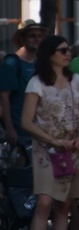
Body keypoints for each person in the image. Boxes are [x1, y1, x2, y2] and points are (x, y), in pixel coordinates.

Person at [21, 34, 79, 230]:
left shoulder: (76, 80)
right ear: (49, 55)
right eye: (62, 50)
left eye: (69, 49)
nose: (68, 53)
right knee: (44, 202)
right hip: (46, 151)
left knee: (64, 205)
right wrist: (52, 140)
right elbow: (26, 121)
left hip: (72, 149)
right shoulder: (37, 83)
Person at [2, 21, 45, 151]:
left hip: (39, 130)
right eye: (32, 35)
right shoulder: (11, 63)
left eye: (39, 35)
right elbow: (4, 98)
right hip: (20, 132)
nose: (37, 39)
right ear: (22, 38)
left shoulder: (39, 62)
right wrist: (9, 129)